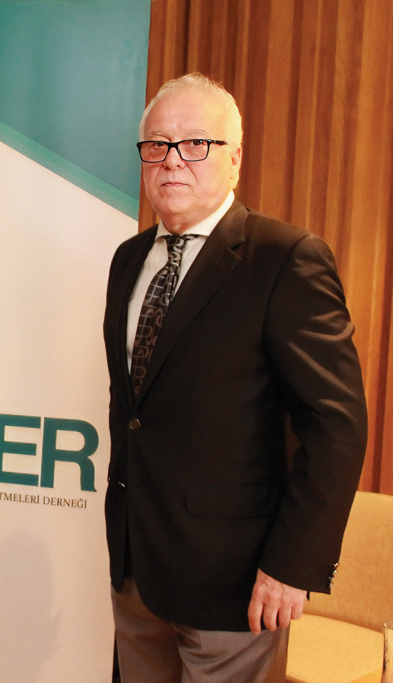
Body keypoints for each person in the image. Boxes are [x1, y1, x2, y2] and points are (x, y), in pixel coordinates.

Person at [102, 73, 368, 682]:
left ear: (235, 159)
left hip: (237, 584)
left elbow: (337, 426)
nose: (172, 160)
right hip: (136, 570)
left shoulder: (286, 259)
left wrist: (293, 566)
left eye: (196, 143)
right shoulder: (127, 260)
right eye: (157, 144)